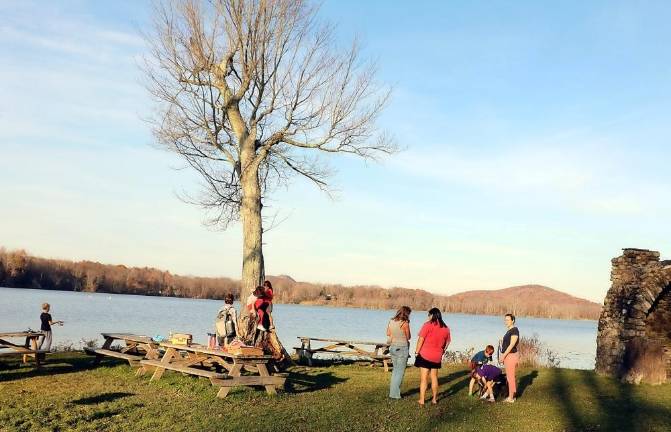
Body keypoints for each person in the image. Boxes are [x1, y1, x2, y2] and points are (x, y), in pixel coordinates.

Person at [414, 308, 451, 406]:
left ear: (432, 315)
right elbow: (448, 342)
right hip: (437, 356)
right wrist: (442, 351)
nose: (428, 317)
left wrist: (416, 352)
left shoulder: (427, 325)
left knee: (424, 378)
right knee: (434, 377)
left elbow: (421, 339)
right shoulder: (446, 328)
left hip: (425, 355)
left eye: (429, 315)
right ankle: (434, 399)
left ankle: (422, 400)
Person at [386, 306, 411, 400]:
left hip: (393, 347)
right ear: (406, 313)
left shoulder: (391, 321)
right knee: (400, 372)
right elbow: (408, 337)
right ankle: (395, 395)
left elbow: (388, 333)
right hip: (402, 348)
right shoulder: (405, 323)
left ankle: (392, 393)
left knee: (395, 371)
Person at [500, 313, 520, 403]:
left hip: (511, 356)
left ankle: (511, 398)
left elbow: (512, 345)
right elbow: (508, 343)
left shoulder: (514, 330)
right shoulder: (509, 331)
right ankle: (511, 396)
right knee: (509, 377)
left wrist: (503, 355)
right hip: (508, 356)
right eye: (505, 320)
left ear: (513, 321)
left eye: (508, 320)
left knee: (510, 377)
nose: (506, 321)